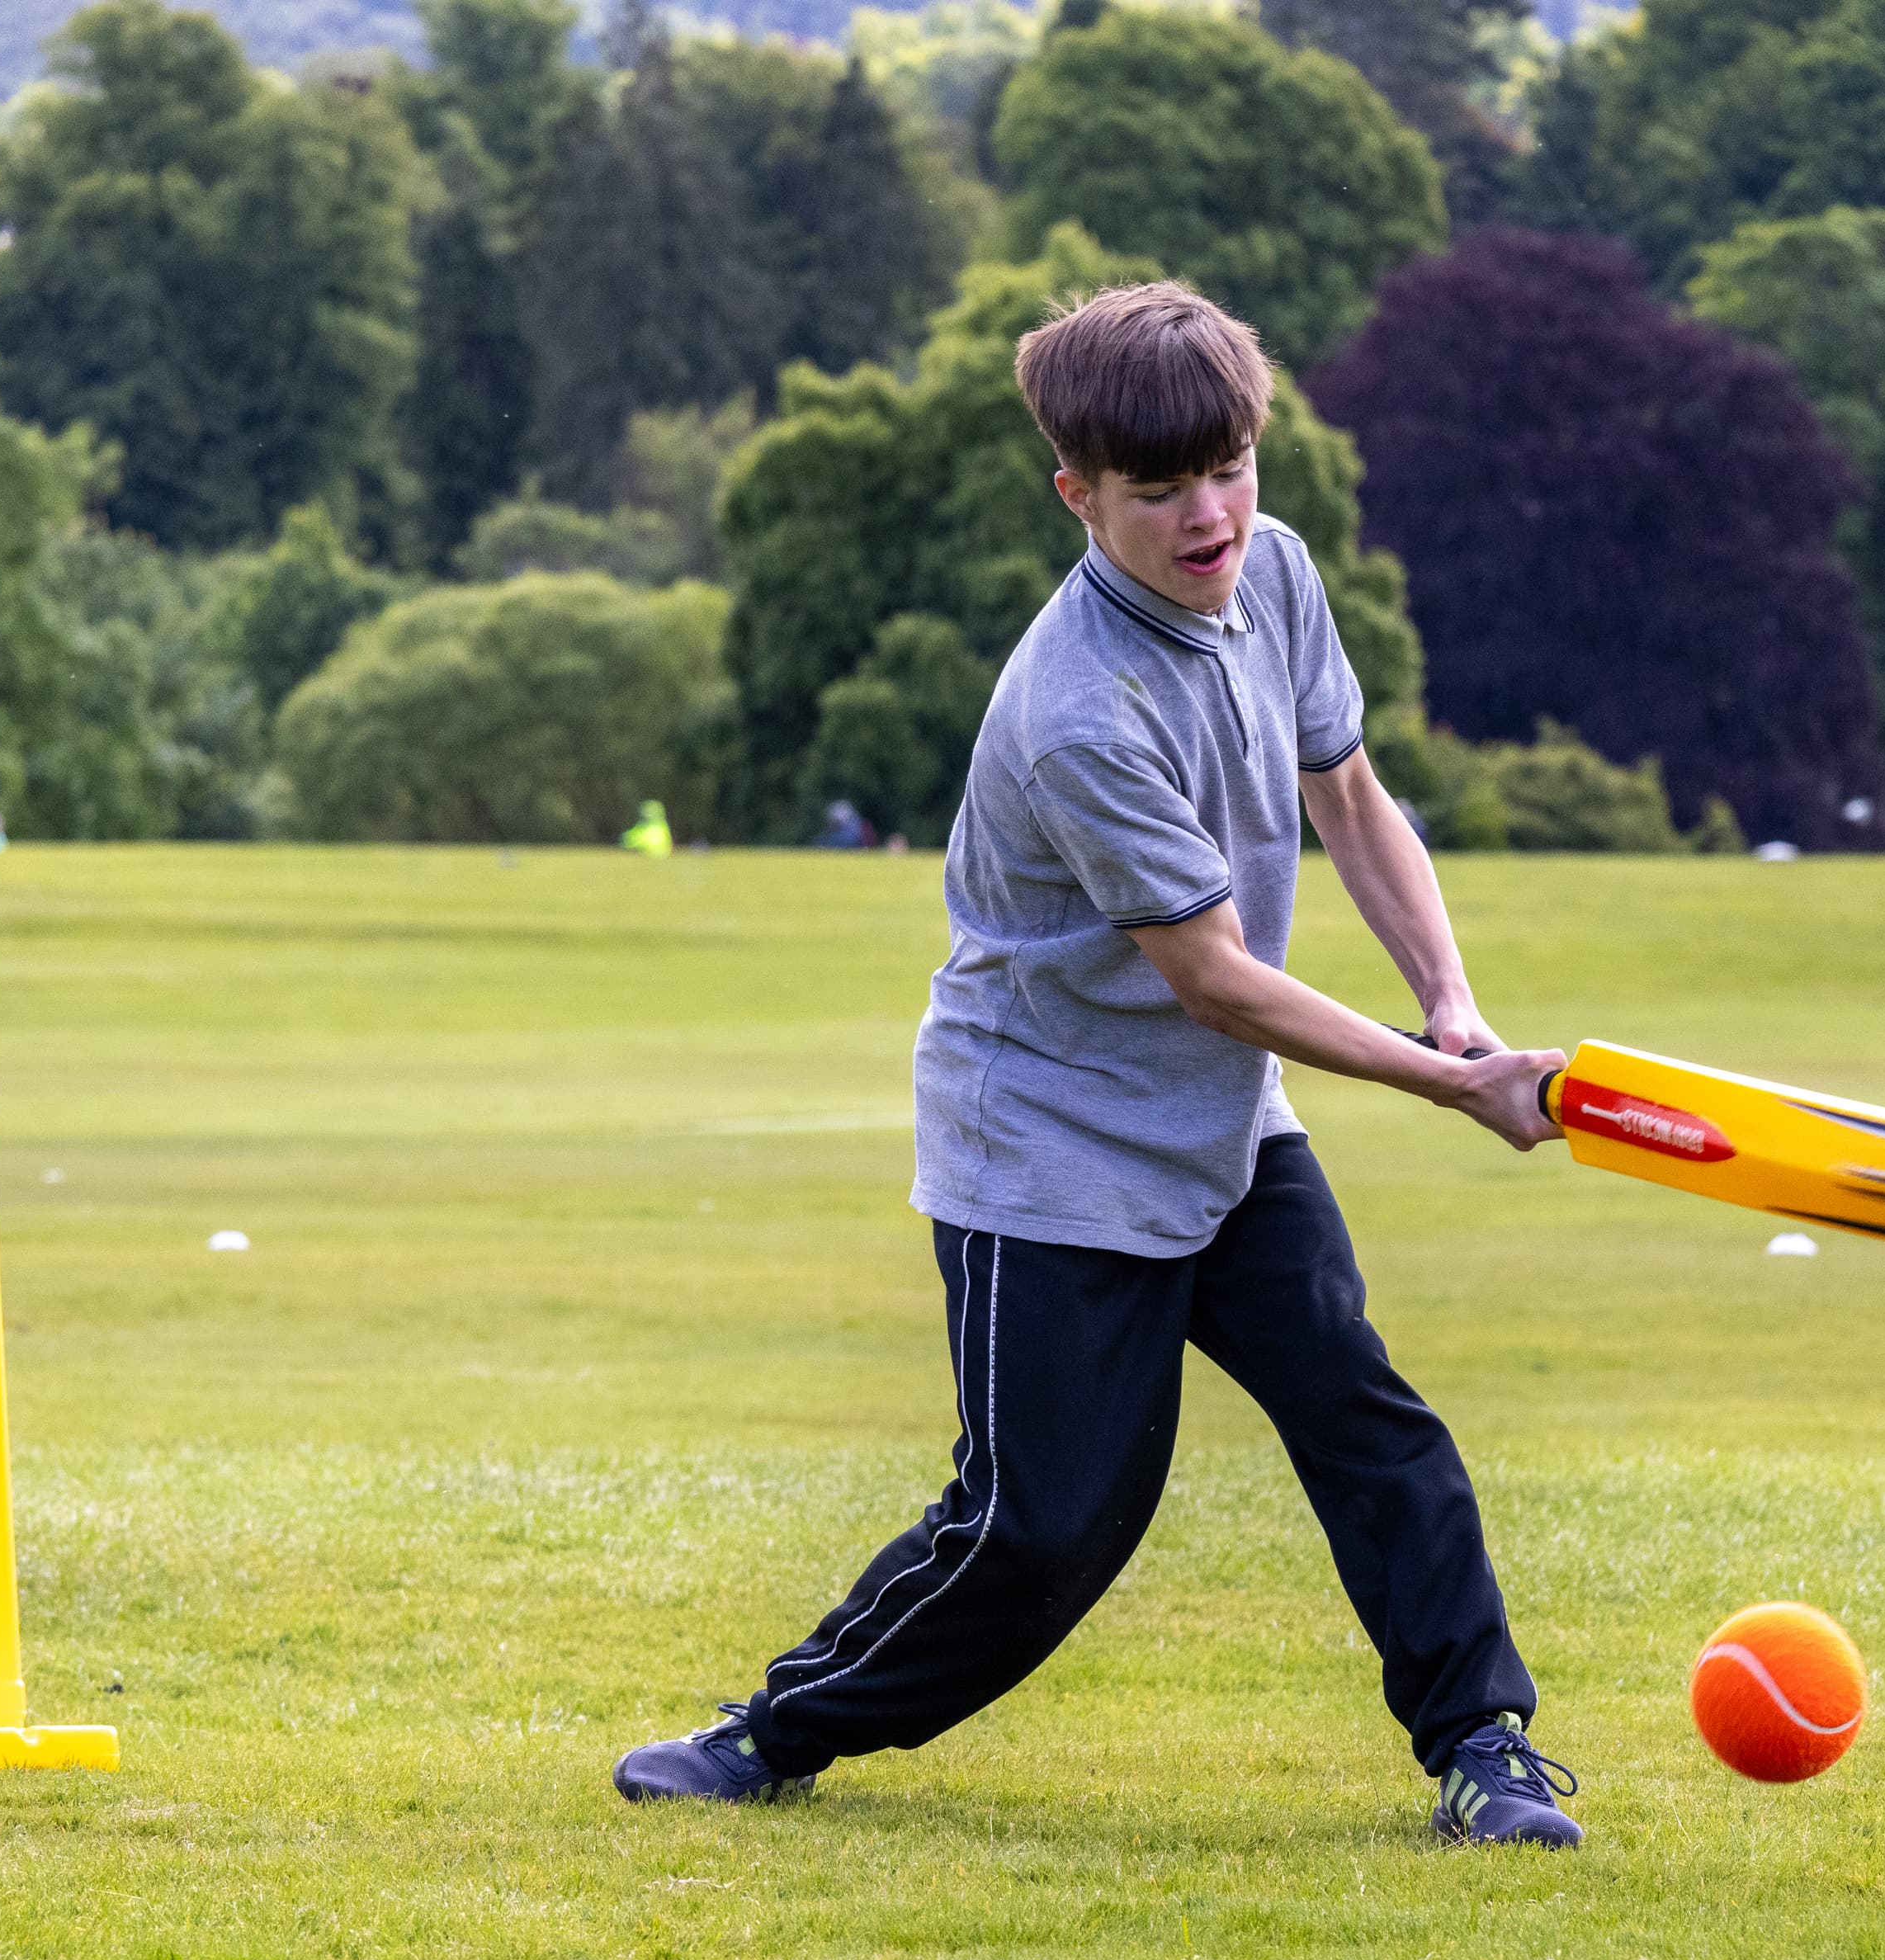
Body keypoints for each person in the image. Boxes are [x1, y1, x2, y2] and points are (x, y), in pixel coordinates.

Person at [610, 284, 1585, 1846]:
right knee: (1044, 1526)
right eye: (1159, 490)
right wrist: (1448, 1085)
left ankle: (1485, 1746)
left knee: (1368, 1420)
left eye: (1232, 466)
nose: (1211, 515)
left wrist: (1450, 998)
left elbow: (1349, 796)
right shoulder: (1080, 711)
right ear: (1078, 493)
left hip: (1222, 1129)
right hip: (1049, 1146)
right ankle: (773, 1732)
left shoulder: (1277, 574)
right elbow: (1215, 981)